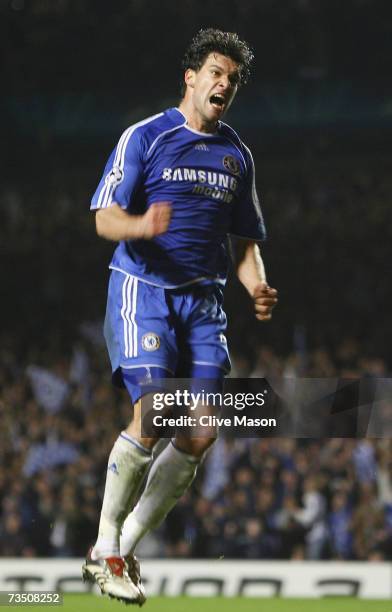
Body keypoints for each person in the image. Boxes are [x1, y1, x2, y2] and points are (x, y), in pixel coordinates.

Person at [82, 28, 278, 605]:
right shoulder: (146, 137)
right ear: (190, 78)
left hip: (204, 302)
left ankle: (122, 550)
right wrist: (141, 226)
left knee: (200, 430)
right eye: (216, 73)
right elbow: (103, 217)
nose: (224, 85)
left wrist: (257, 285)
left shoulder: (236, 154)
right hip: (143, 290)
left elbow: (245, 242)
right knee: (153, 411)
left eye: (233, 80)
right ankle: (104, 543)